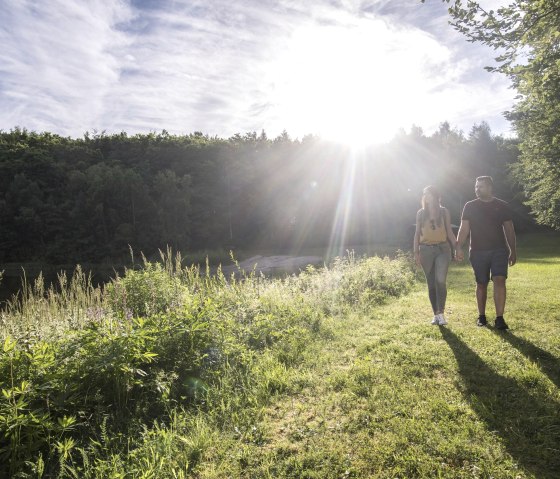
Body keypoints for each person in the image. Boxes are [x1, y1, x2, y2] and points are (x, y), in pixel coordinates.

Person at [456, 176, 517, 329]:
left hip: (499, 250)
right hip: (477, 251)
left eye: (481, 186)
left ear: (490, 187)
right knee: (481, 283)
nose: (477, 189)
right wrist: (458, 246)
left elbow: (509, 229)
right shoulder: (469, 206)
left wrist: (513, 250)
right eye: (476, 186)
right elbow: (464, 229)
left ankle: (499, 318)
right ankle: (482, 316)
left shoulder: (502, 205)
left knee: (500, 280)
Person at [413, 186, 457, 325]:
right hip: (425, 250)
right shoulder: (421, 213)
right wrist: (416, 253)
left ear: (434, 195)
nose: (425, 196)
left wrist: (457, 247)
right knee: (431, 283)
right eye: (424, 194)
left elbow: (449, 231)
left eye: (428, 193)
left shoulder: (444, 212)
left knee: (440, 281)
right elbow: (416, 234)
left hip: (442, 249)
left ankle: (441, 312)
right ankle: (436, 314)